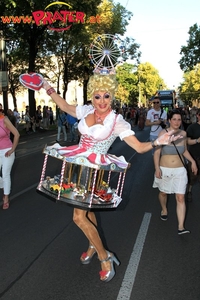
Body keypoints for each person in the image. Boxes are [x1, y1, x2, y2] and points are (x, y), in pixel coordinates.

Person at [42, 74, 182, 283]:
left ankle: (104, 257)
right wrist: (47, 87)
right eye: (97, 96)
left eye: (106, 96)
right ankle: (92, 244)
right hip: (76, 164)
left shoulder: (117, 121)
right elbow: (65, 106)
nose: (101, 101)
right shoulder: (86, 110)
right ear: (92, 97)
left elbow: (139, 147)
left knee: (78, 217)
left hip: (93, 170)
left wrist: (157, 142)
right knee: (87, 212)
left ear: (112, 96)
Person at [153, 109, 198, 234]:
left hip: (180, 170)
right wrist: (157, 168)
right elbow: (157, 152)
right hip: (164, 169)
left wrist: (193, 161)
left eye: (179, 119)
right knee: (163, 193)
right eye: (174, 119)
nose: (177, 122)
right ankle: (164, 209)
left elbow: (184, 151)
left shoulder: (183, 133)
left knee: (180, 197)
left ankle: (181, 227)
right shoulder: (163, 133)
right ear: (169, 120)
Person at [0, 108, 20, 209]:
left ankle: (6, 197)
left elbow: (16, 134)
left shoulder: (4, 120)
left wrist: (12, 149)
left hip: (7, 151)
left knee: (5, 174)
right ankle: (4, 188)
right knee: (1, 177)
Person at [186, 108, 200, 201]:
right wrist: (197, 140)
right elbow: (187, 141)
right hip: (195, 156)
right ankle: (189, 190)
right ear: (198, 116)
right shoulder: (192, 127)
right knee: (192, 177)